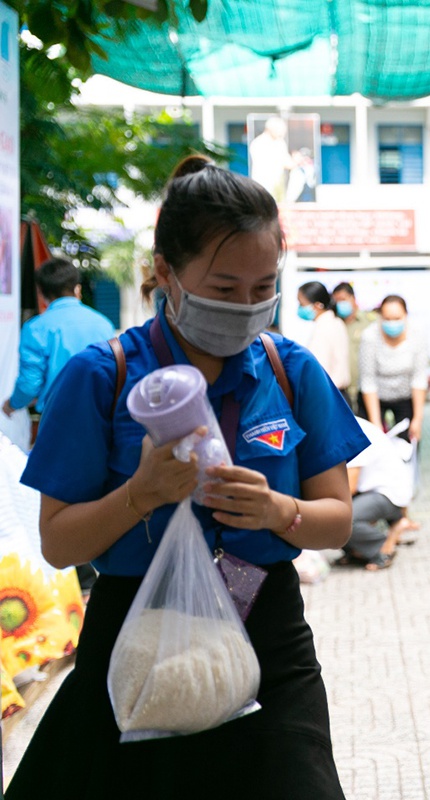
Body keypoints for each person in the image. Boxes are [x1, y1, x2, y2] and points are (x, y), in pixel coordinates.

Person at [6, 155, 369, 799]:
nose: (248, 307)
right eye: (225, 290)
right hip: (138, 638)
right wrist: (140, 494)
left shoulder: (292, 371)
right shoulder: (102, 376)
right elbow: (60, 544)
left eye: (264, 288)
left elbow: (336, 518)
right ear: (165, 272)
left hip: (267, 630)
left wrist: (277, 512)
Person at [3, 256, 116, 442]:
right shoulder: (104, 324)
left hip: (58, 424)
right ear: (76, 288)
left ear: (41, 293)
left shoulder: (36, 328)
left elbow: (30, 384)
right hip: (101, 421)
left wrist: (11, 405)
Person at [339, 416, 417, 571]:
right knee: (335, 514)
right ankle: (358, 551)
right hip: (373, 491)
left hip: (388, 493)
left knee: (342, 518)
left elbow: (349, 487)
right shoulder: (345, 424)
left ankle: (383, 547)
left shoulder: (350, 430)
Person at [359, 294, 427, 445]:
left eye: (397, 318)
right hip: (375, 398)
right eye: (387, 318)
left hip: (405, 397)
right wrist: (375, 424)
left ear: (406, 316)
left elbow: (419, 379)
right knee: (373, 443)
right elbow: (367, 380)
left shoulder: (417, 335)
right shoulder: (369, 336)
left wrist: (417, 419)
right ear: (380, 317)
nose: (392, 323)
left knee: (408, 444)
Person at [297, 280, 352, 401]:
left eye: (302, 304)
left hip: (329, 395)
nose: (299, 308)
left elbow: (318, 370)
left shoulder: (324, 328)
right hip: (337, 393)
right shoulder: (336, 322)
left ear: (317, 305)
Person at [331, 281, 377, 415]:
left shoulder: (369, 322)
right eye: (337, 301)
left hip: (365, 387)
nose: (340, 304)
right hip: (343, 389)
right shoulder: (333, 324)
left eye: (343, 300)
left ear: (353, 298)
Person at [248, 116, 294, 205]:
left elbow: (288, 163)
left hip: (278, 185)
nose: (282, 134)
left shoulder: (280, 143)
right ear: (270, 129)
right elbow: (282, 162)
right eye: (280, 130)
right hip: (264, 185)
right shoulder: (259, 143)